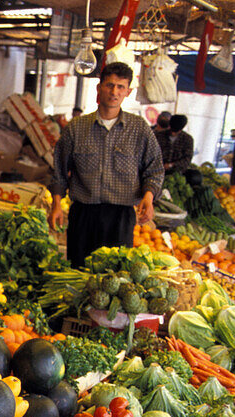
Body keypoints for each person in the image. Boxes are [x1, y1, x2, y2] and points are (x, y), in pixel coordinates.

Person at [50, 62, 163, 267]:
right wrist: (56, 204)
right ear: (99, 87)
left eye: (121, 87)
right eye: (109, 85)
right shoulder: (77, 128)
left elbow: (154, 169)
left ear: (128, 92)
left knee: (114, 277)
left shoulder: (139, 130)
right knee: (79, 271)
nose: (114, 92)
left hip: (120, 217)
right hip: (83, 214)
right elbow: (59, 169)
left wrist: (149, 195)